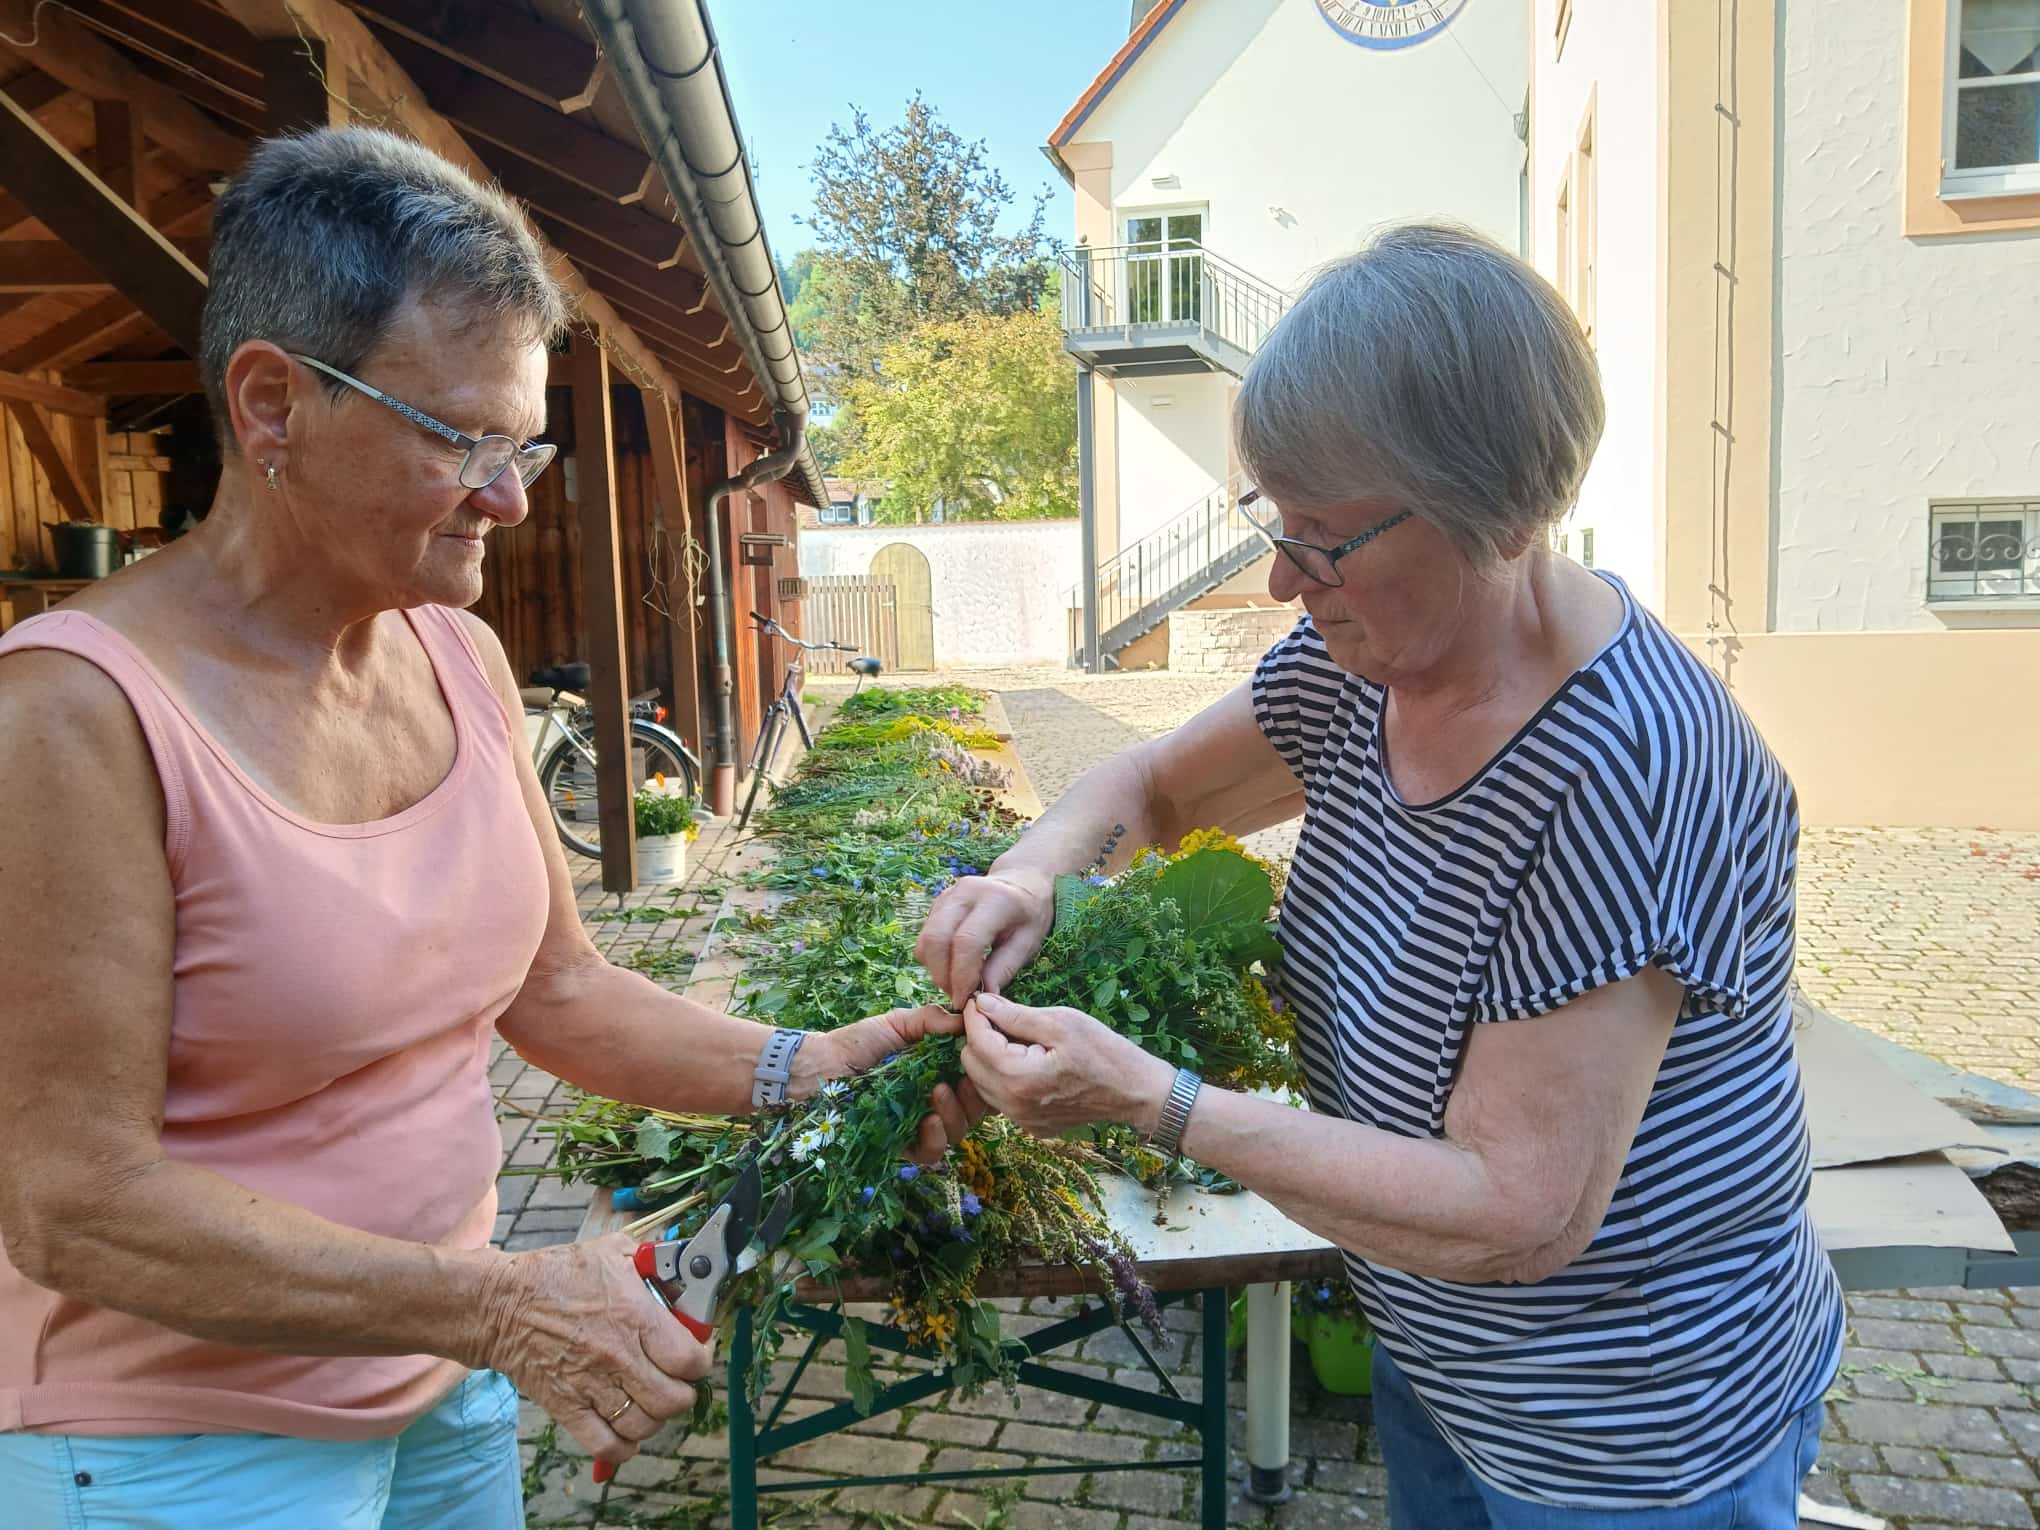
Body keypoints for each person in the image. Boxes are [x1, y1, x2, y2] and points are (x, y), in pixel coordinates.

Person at [0, 128, 969, 1529]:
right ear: (272, 404)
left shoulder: (456, 655)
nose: (511, 498)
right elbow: (73, 1202)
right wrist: (505, 1306)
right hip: (184, 1446)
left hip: (442, 1383)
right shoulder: (71, 719)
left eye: (524, 443)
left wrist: (803, 1070)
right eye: (463, 439)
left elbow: (556, 988)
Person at [919, 224, 1843, 1527]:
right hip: (1442, 1353)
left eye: (1325, 537)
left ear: (1499, 514)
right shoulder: (1363, 666)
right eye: (1275, 520)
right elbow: (1157, 788)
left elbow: (1519, 1211)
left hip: (1627, 1432)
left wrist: (1151, 1101)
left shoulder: (1622, 769)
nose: (1282, 579)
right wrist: (1029, 876)